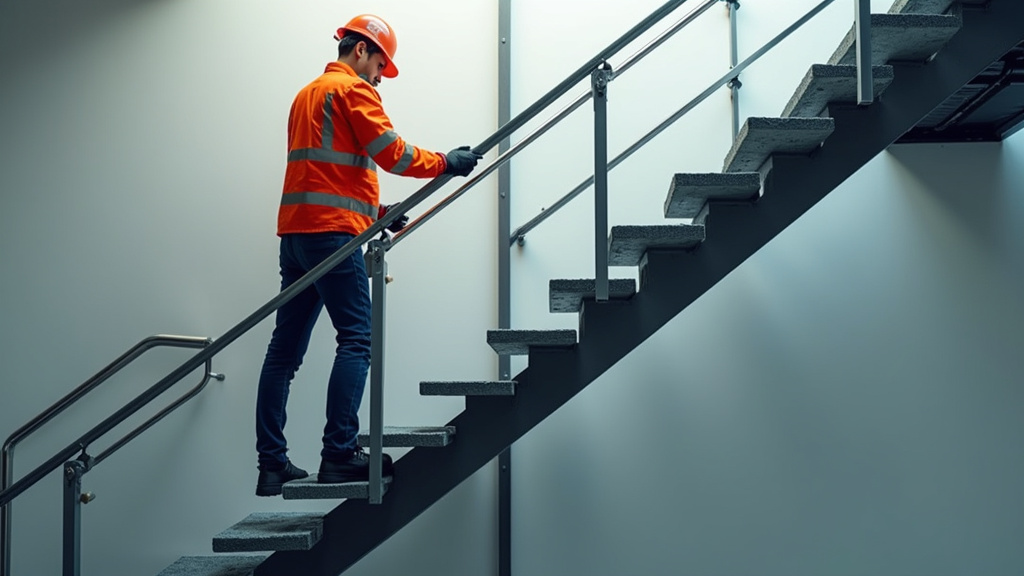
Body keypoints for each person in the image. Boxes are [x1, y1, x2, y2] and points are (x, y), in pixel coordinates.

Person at [255, 13, 482, 497]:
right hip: (332, 238)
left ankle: (271, 464)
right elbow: (392, 153)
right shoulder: (354, 90)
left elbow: (325, 171)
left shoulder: (306, 95)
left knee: (283, 354)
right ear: (361, 51)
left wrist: (375, 212)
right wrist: (447, 162)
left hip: (297, 235)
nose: (381, 76)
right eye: (381, 64)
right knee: (357, 338)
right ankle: (339, 453)